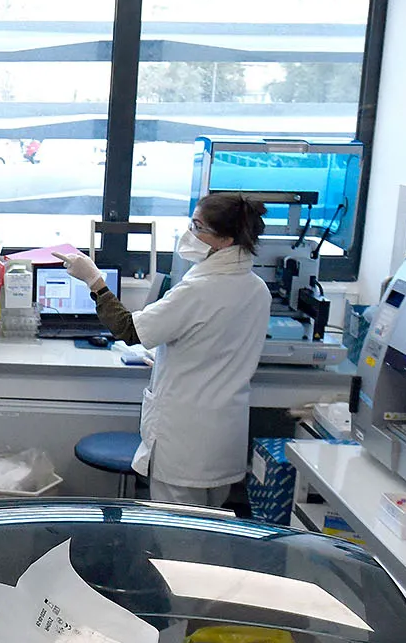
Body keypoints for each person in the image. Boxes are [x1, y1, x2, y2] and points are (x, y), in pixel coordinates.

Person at [62, 193, 271, 508]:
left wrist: (94, 280)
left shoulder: (199, 289)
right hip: (223, 440)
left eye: (198, 227)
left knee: (177, 542)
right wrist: (170, 358)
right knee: (208, 532)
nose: (190, 234)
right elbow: (215, 344)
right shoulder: (257, 288)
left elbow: (129, 330)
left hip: (185, 445)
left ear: (226, 240)